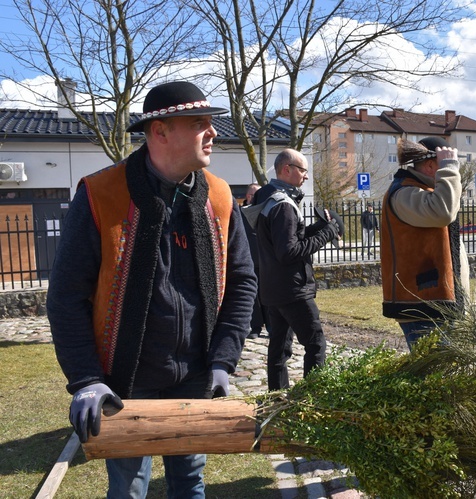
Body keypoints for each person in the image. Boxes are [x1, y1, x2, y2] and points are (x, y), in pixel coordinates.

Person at [46, 81, 257, 498]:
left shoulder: (218, 196)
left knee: (190, 483)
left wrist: (223, 360)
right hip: (126, 381)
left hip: (195, 373)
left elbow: (243, 282)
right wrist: (87, 379)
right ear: (159, 131)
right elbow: (66, 296)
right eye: (199, 123)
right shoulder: (100, 194)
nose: (213, 132)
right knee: (128, 490)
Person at [245, 148, 340, 390]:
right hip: (292, 290)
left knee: (278, 349)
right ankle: (313, 399)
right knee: (315, 344)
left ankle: (276, 398)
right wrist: (328, 233)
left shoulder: (267, 197)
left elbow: (286, 240)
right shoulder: (284, 205)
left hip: (272, 289)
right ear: (286, 169)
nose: (306, 176)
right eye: (303, 170)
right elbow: (288, 253)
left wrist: (318, 228)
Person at [380, 137, 470, 349]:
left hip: (435, 305)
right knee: (437, 375)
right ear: (431, 165)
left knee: (446, 375)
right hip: (424, 309)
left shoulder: (422, 191)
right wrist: (449, 169)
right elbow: (444, 212)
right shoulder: (404, 193)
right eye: (445, 163)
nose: (454, 170)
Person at [242, 183, 270, 340]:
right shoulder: (240, 214)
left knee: (269, 296)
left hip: (266, 262)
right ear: (248, 197)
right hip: (249, 262)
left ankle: (271, 326)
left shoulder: (266, 211)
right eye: (256, 195)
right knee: (254, 298)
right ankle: (256, 326)